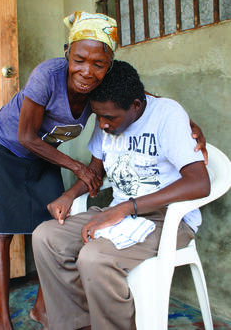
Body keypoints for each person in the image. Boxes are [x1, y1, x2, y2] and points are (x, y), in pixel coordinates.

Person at [0, 10, 205, 329]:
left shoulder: (118, 103)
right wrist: (74, 182)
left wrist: (188, 123)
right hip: (10, 148)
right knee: (24, 232)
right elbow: (36, 142)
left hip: (155, 212)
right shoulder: (58, 82)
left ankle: (70, 315)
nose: (87, 71)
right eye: (79, 60)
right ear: (68, 55)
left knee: (72, 242)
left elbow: (140, 100)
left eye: (98, 64)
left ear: (109, 66)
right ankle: (36, 320)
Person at [32, 60, 211, 330]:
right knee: (46, 237)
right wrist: (70, 195)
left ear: (136, 106)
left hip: (167, 219)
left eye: (110, 118)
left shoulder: (167, 115)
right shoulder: (107, 114)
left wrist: (128, 207)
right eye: (98, 116)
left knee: (95, 257)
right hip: (119, 212)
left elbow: (200, 183)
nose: (102, 124)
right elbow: (96, 170)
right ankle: (78, 324)